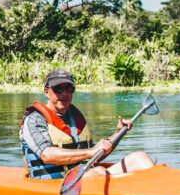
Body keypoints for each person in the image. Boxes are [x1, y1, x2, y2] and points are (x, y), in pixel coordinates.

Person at [20, 68, 154, 180]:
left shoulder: (74, 117)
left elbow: (95, 154)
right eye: (58, 89)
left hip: (84, 176)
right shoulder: (35, 119)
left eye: (69, 88)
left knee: (139, 158)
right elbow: (47, 155)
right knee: (99, 171)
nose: (65, 93)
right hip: (55, 184)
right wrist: (91, 151)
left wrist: (119, 132)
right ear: (46, 92)